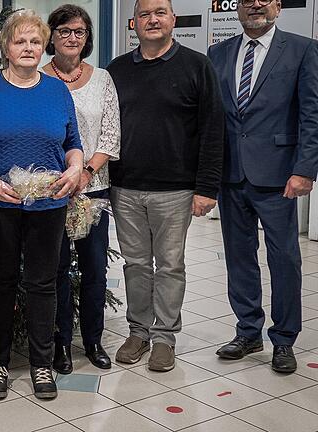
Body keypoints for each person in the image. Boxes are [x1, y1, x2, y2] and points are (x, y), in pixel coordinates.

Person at [106, 0, 224, 372]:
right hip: (125, 188)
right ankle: (138, 331)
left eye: (160, 12)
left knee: (170, 265)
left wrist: (207, 188)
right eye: (144, 14)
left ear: (173, 19)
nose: (152, 19)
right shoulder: (118, 70)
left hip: (176, 190)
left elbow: (212, 129)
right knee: (136, 265)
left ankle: (164, 338)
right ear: (133, 23)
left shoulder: (196, 66)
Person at [0, 9, 83, 401]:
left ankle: (41, 363)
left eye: (35, 41)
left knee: (42, 284)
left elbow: (73, 142)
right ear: (5, 46)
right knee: (0, 282)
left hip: (48, 204)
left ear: (44, 46)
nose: (27, 48)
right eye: (19, 41)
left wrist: (75, 168)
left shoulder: (56, 90)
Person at [208, 0, 318, 374]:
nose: (255, 4)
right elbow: (213, 117)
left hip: (278, 175)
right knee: (239, 257)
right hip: (231, 174)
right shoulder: (218, 52)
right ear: (236, 9)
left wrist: (305, 169)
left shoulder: (302, 49)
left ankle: (284, 338)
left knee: (284, 259)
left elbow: (311, 114)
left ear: (277, 7)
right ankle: (248, 331)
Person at [41, 4, 121, 375]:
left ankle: (92, 340)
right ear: (51, 36)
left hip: (93, 188)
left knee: (94, 271)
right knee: (55, 271)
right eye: (64, 31)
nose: (72, 38)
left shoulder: (103, 79)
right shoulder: (38, 79)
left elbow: (110, 134)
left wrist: (86, 173)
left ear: (87, 38)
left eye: (79, 32)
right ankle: (60, 344)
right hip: (50, 191)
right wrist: (61, 179)